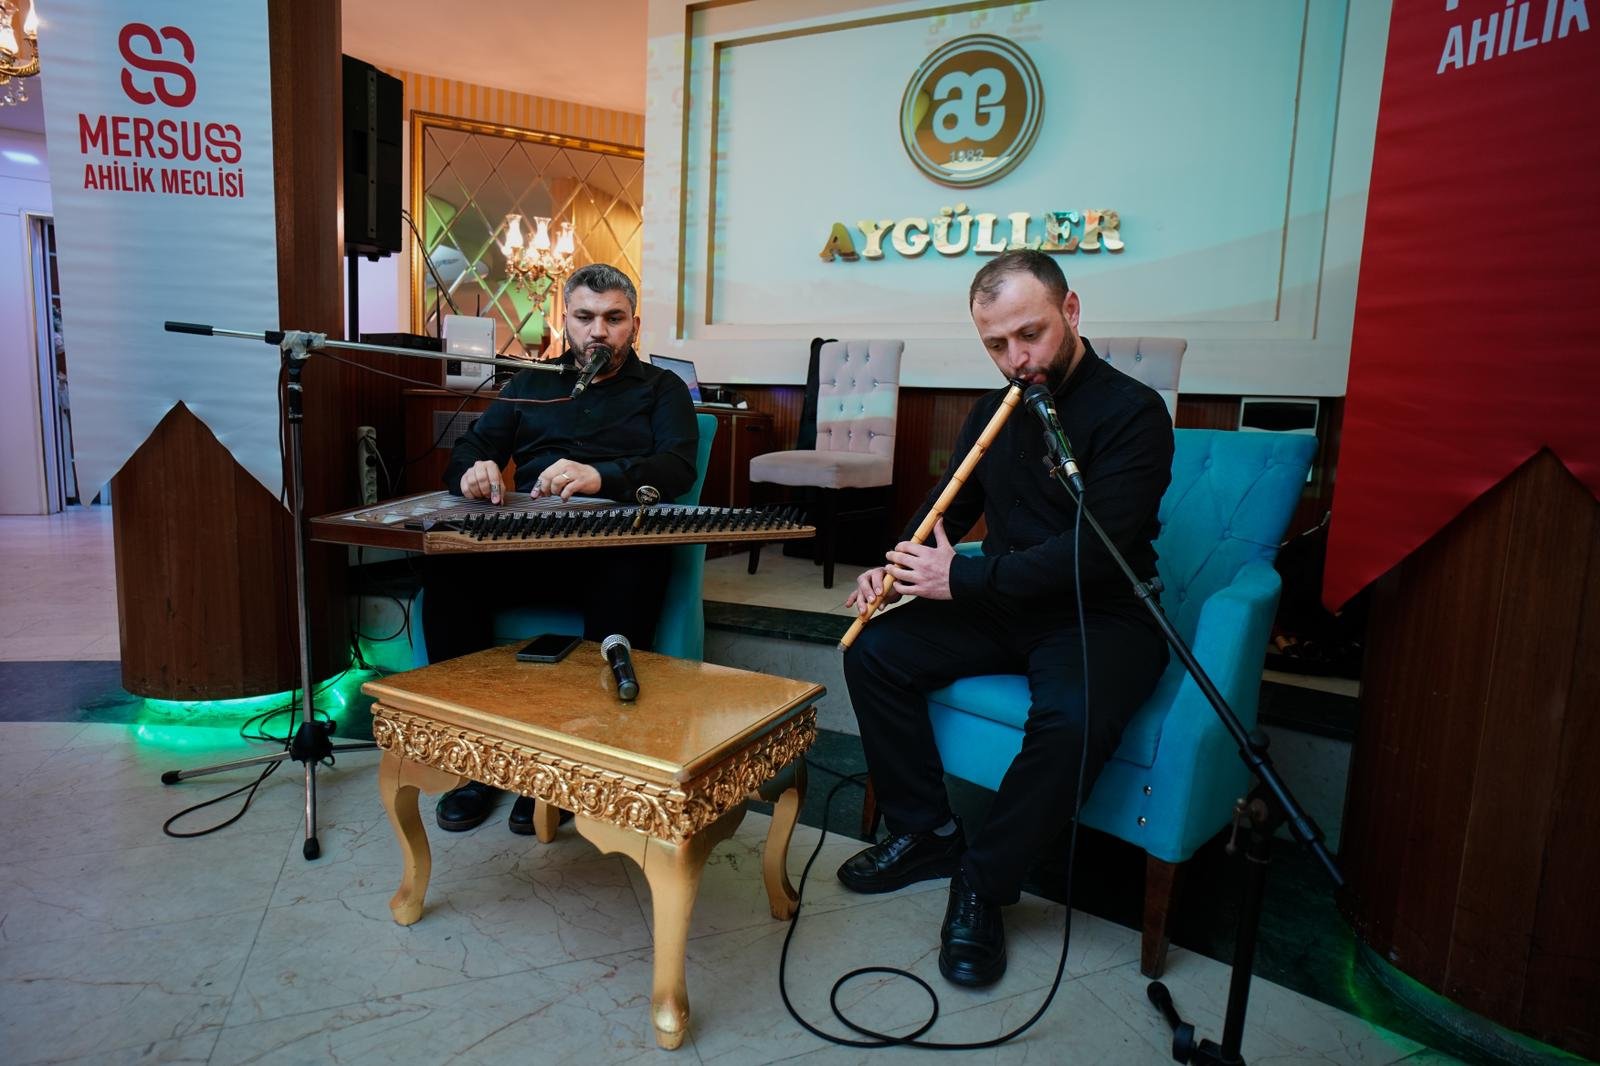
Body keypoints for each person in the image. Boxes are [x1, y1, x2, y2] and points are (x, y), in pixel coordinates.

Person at [838, 250, 1174, 988]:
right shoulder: (996, 408)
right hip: (1000, 600)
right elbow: (946, 511)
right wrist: (895, 569)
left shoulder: (1135, 413)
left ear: (1071, 311)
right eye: (996, 344)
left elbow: (1096, 552)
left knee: (1074, 717)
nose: (1017, 359)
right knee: (873, 653)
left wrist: (961, 577)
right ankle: (926, 831)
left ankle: (984, 882)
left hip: (1101, 610)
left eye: (1031, 334)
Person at [422, 263, 699, 834]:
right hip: (533, 548)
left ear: (634, 325)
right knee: (449, 571)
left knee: (630, 569)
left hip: (618, 550)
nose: (599, 331)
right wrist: (473, 471)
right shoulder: (530, 384)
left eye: (613, 318)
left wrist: (603, 476)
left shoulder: (662, 388)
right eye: (585, 317)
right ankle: (479, 758)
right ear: (565, 321)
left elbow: (677, 466)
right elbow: (470, 450)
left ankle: (568, 768)